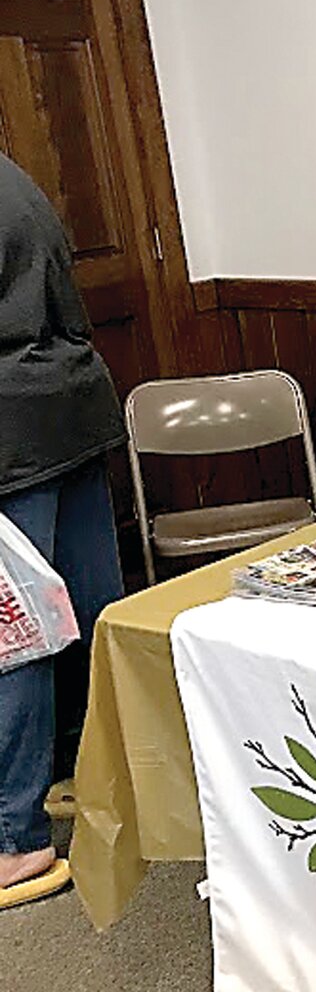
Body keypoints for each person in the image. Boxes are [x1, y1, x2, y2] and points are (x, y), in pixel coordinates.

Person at [0, 152, 126, 908]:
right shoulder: (14, 175)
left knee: (15, 633)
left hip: (12, 426)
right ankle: (101, 774)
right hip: (72, 402)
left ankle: (14, 839)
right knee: (89, 601)